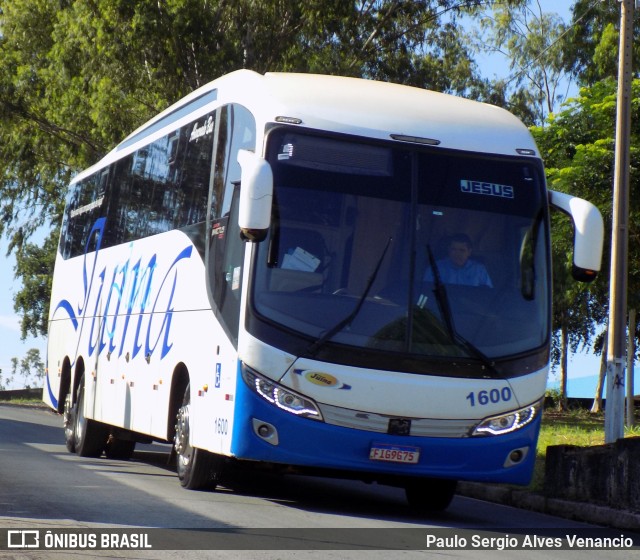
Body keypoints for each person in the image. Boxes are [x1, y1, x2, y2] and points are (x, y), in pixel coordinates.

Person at [423, 233, 492, 288]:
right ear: (449, 250)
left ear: (469, 252)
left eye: (462, 250)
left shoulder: (479, 270)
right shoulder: (435, 268)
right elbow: (426, 290)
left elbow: (487, 294)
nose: (457, 254)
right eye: (454, 249)